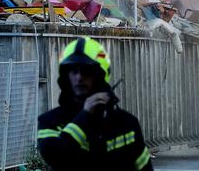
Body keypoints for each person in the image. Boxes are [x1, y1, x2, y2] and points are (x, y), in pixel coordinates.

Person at [37, 37, 153, 170]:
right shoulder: (50, 121)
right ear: (66, 76)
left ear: (99, 76)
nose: (79, 77)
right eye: (74, 71)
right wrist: (85, 116)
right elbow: (55, 157)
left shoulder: (126, 123)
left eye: (86, 71)